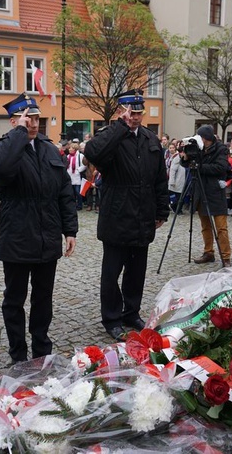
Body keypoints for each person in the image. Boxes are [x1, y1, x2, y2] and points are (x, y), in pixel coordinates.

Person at [0, 93, 78, 365]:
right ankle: (17, 354)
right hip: (16, 237)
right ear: (13, 122)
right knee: (14, 300)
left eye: (36, 118)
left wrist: (69, 230)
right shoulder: (1, 148)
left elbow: (63, 193)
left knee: (43, 299)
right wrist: (18, 136)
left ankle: (41, 348)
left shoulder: (49, 149)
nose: (34, 124)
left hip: (47, 237)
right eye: (27, 119)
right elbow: (0, 170)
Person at [84, 89, 169, 341]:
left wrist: (161, 209)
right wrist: (120, 127)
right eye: (131, 112)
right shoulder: (111, 135)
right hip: (117, 215)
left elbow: (160, 179)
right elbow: (93, 153)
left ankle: (131, 312)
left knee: (136, 271)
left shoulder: (150, 139)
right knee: (111, 274)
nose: (135, 117)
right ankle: (111, 318)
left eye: (139, 112)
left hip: (143, 215)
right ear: (122, 112)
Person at [181, 125, 232, 267]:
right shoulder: (197, 148)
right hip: (200, 190)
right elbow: (187, 164)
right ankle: (208, 252)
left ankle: (225, 256)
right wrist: (185, 158)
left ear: (206, 138)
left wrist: (199, 167)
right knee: (205, 225)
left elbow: (221, 168)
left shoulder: (221, 149)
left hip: (215, 191)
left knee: (221, 227)